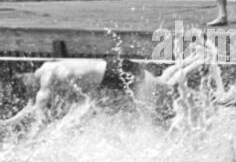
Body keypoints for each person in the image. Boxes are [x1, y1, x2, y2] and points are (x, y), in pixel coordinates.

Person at [2, 58, 168, 128]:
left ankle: (192, 63)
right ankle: (191, 62)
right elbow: (32, 106)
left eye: (27, 87)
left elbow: (39, 109)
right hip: (114, 72)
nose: (32, 90)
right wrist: (7, 123)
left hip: (117, 71)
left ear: (25, 77)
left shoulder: (48, 74)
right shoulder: (47, 74)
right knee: (162, 83)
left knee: (150, 123)